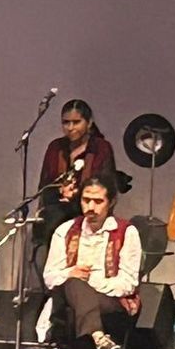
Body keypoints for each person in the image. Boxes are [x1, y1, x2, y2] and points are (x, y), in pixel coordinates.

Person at [40, 177, 140, 349]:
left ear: (111, 202)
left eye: (98, 201)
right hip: (69, 298)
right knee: (73, 282)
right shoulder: (65, 230)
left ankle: (94, 335)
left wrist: (91, 284)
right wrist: (71, 273)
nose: (91, 207)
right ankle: (98, 336)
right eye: (86, 200)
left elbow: (128, 283)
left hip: (111, 301)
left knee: (76, 284)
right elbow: (50, 277)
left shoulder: (127, 232)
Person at [33, 100, 118, 255]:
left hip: (89, 211)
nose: (70, 128)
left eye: (76, 122)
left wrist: (77, 193)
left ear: (89, 122)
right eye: (66, 123)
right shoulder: (55, 148)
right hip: (56, 212)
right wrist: (60, 191)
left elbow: (107, 187)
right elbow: (43, 187)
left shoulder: (101, 148)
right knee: (49, 221)